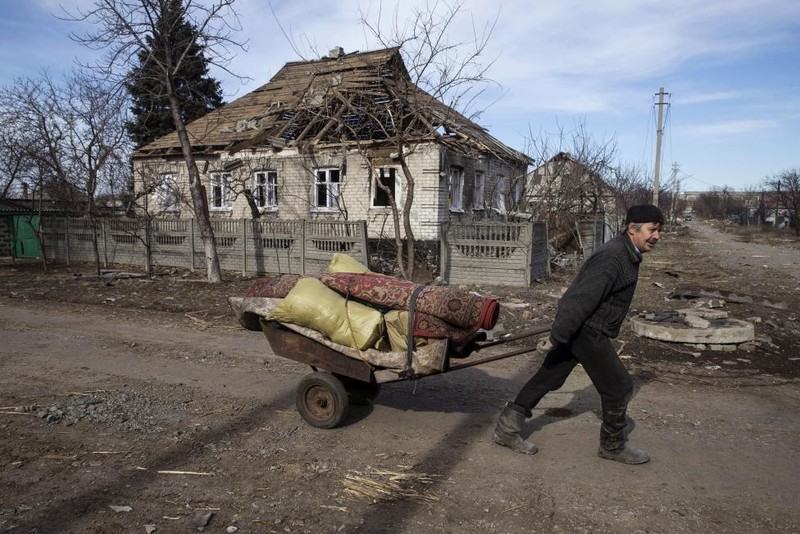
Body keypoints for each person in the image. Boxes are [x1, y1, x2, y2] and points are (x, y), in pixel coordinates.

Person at [493, 204, 664, 464]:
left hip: (584, 327)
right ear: (632, 229)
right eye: (652, 230)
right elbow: (579, 300)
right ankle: (613, 446)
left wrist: (561, 334)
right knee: (619, 388)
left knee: (549, 377)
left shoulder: (627, 253)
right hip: (587, 330)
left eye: (659, 230)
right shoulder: (614, 256)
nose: (657, 236)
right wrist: (556, 336)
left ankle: (507, 429)